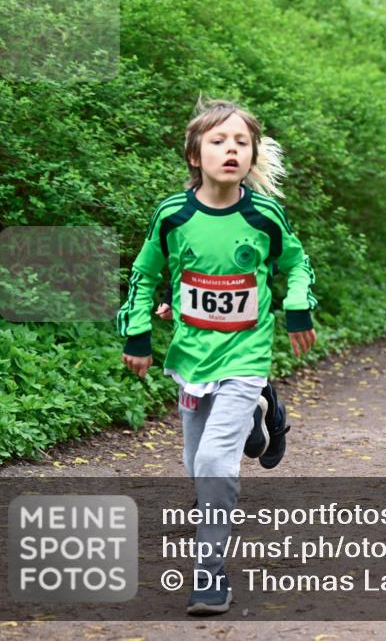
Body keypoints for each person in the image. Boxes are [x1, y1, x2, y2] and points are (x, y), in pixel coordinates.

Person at [117, 99, 317, 615]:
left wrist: (298, 308)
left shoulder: (263, 214)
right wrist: (139, 333)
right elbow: (146, 275)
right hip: (191, 358)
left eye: (241, 142)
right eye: (218, 141)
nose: (230, 149)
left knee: (212, 462)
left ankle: (210, 574)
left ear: (251, 156)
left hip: (246, 356)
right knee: (196, 466)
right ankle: (254, 418)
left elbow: (296, 264)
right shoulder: (173, 215)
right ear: (193, 154)